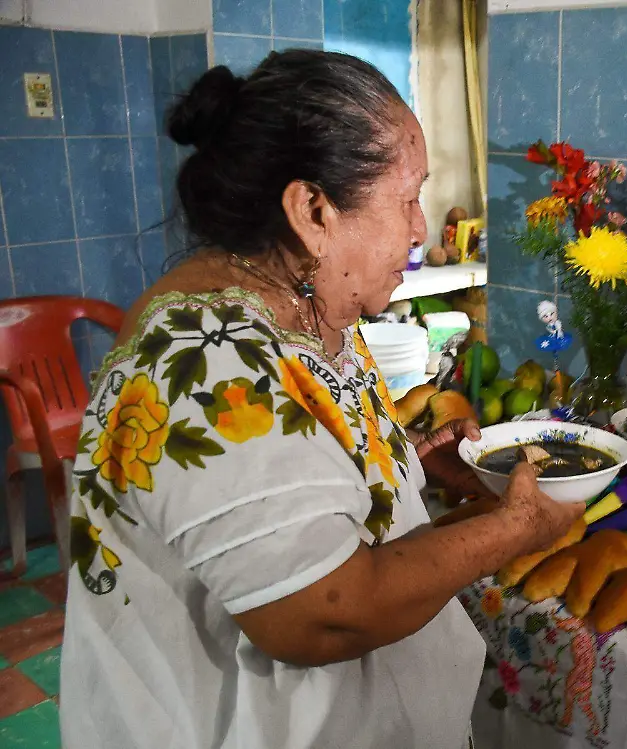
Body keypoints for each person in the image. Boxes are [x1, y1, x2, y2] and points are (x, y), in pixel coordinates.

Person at [60, 51, 584, 749]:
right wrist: (515, 526)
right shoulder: (204, 360)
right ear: (313, 211)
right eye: (407, 198)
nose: (421, 228)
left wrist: (408, 477)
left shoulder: (308, 308)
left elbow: (304, 490)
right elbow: (322, 614)